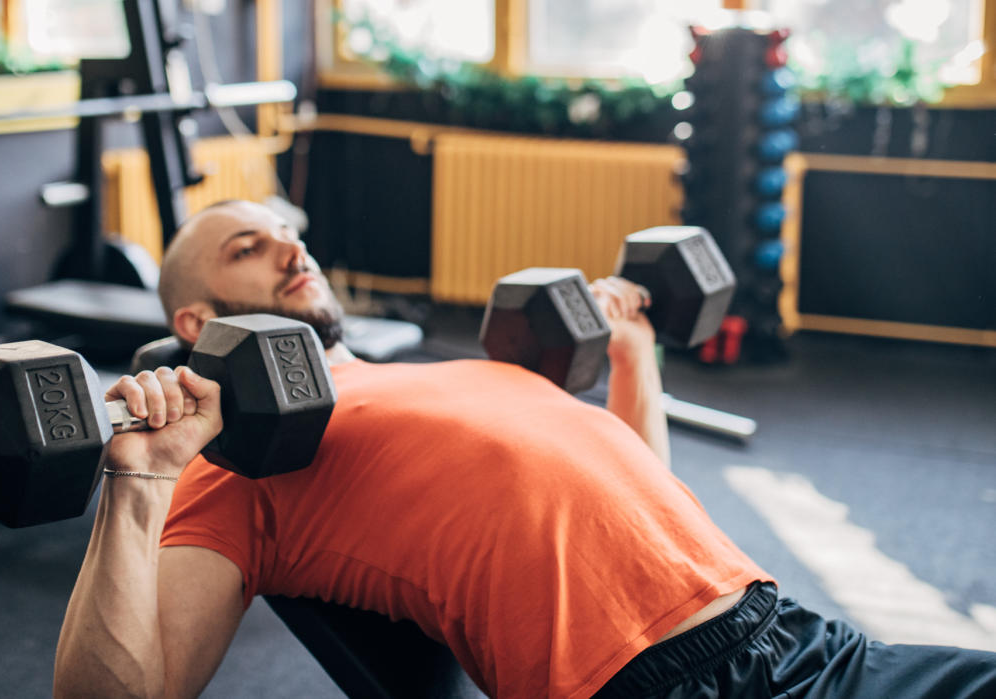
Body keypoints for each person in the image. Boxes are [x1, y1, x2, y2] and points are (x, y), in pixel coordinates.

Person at [53, 200, 996, 698]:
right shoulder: (233, 459)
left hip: (799, 636)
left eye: (290, 233)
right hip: (660, 686)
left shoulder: (449, 369)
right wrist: (140, 481)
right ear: (197, 318)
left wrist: (633, 349)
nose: (291, 249)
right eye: (250, 248)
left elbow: (641, 504)